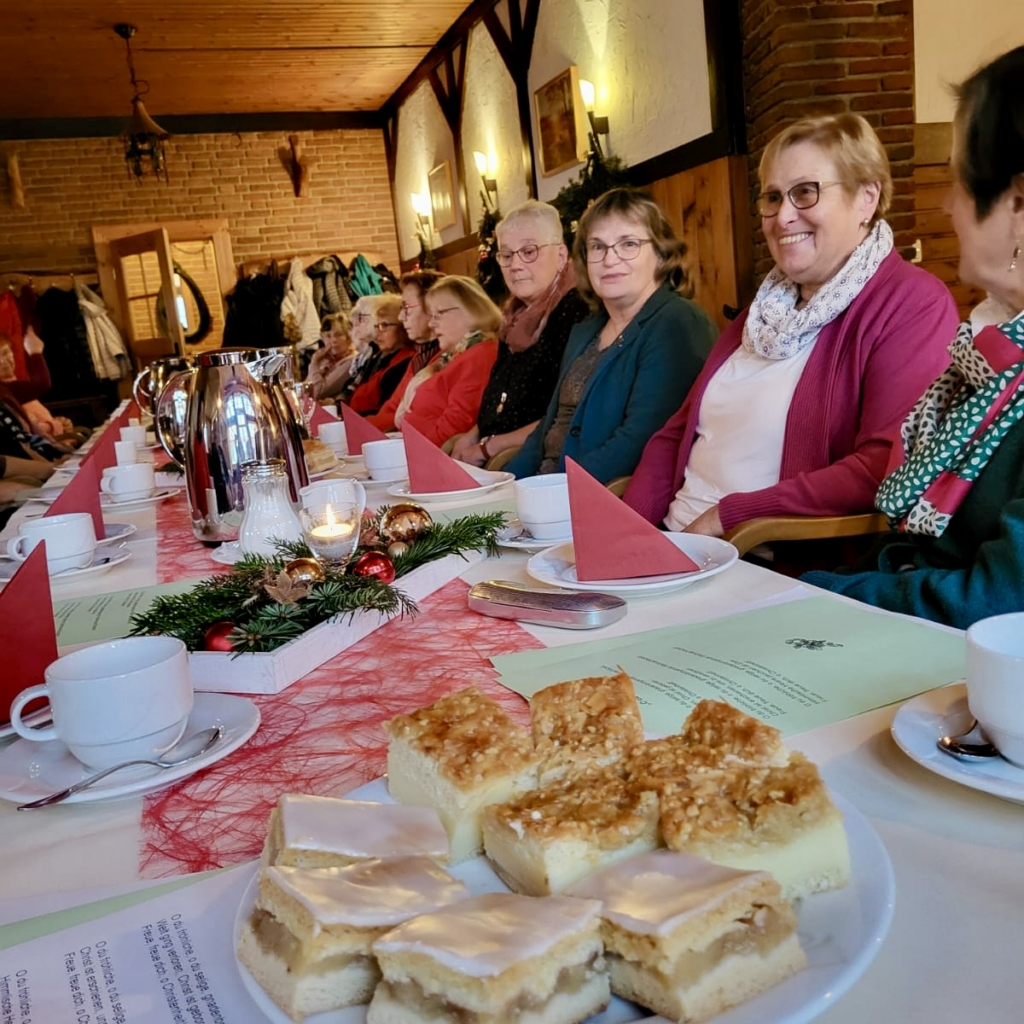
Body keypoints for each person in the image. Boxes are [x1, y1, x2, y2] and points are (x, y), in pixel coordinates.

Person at [624, 114, 959, 536]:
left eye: (805, 193)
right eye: (772, 197)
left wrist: (730, 516)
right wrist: (626, 539)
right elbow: (675, 435)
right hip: (680, 545)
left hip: (767, 559)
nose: (782, 217)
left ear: (866, 198)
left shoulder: (911, 303)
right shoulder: (764, 310)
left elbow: (885, 464)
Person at [802, 47, 1024, 628]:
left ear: (1018, 205)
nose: (947, 204)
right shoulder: (992, 355)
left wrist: (817, 596)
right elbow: (918, 549)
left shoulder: (922, 310)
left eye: (956, 180)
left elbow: (998, 603)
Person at [505, 188, 715, 483]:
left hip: (602, 499)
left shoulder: (677, 323)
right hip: (548, 491)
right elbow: (547, 429)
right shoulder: (586, 329)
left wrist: (550, 491)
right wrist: (503, 489)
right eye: (598, 247)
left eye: (628, 244)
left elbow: (639, 442)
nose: (609, 258)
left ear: (661, 253)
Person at [451, 201, 589, 467]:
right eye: (506, 255)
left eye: (529, 251)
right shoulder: (514, 315)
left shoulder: (576, 312)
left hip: (535, 460)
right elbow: (502, 400)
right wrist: (474, 435)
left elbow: (563, 416)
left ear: (561, 256)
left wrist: (488, 448)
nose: (515, 264)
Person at [396, 276, 501, 446]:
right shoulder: (450, 356)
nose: (431, 323)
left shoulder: (481, 355)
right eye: (431, 315)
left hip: (430, 457)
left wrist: (411, 452)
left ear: (470, 311)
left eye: (439, 314)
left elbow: (456, 426)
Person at [367, 269, 444, 431]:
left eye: (406, 308)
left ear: (432, 308)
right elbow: (390, 409)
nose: (401, 317)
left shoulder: (448, 357)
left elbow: (410, 419)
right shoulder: (420, 357)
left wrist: (353, 427)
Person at [347, 296, 415, 416]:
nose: (378, 332)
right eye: (376, 326)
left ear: (403, 327)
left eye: (384, 325)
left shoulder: (406, 362)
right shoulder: (378, 357)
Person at [305, 312, 356, 400]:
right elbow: (304, 391)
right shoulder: (325, 359)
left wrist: (314, 362)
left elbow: (318, 393)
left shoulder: (351, 361)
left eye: (339, 335)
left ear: (348, 337)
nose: (333, 340)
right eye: (328, 336)